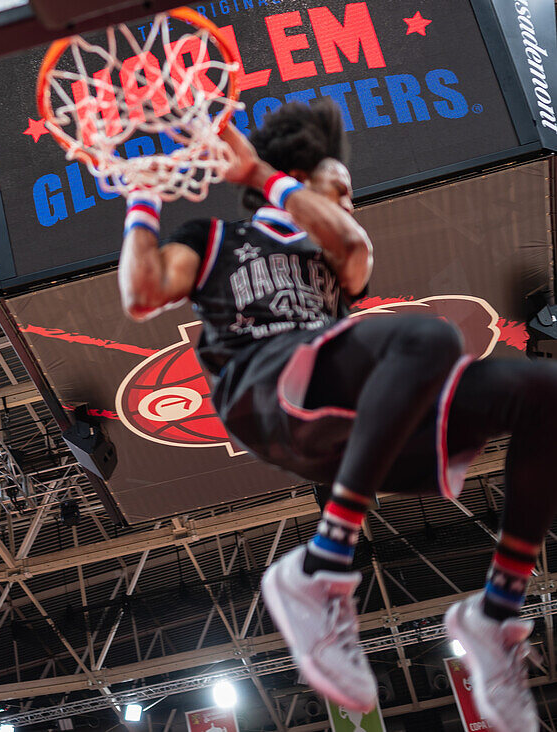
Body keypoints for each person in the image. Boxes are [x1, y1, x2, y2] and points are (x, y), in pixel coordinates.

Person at [119, 99, 557, 732]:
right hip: (266, 397)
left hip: (347, 426)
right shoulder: (214, 239)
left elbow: (352, 243)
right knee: (428, 340)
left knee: (543, 389)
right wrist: (140, 200)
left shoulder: (334, 259)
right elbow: (140, 296)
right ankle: (322, 567)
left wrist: (261, 175)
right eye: (340, 189)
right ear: (300, 183)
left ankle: (497, 609)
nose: (351, 204)